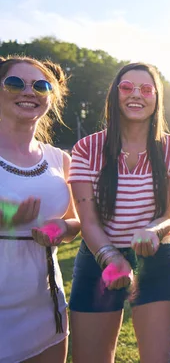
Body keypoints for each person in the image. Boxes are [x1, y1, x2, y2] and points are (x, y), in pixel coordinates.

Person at [68, 63, 170, 362]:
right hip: (98, 257)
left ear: (156, 98)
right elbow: (88, 221)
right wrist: (110, 257)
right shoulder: (86, 149)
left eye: (146, 89)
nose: (136, 95)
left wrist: (153, 231)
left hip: (155, 261)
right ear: (114, 94)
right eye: (127, 87)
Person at [0, 56, 81, 363]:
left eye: (41, 86)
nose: (29, 92)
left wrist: (63, 229)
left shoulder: (60, 159)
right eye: (15, 83)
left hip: (45, 303)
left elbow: (76, 220)